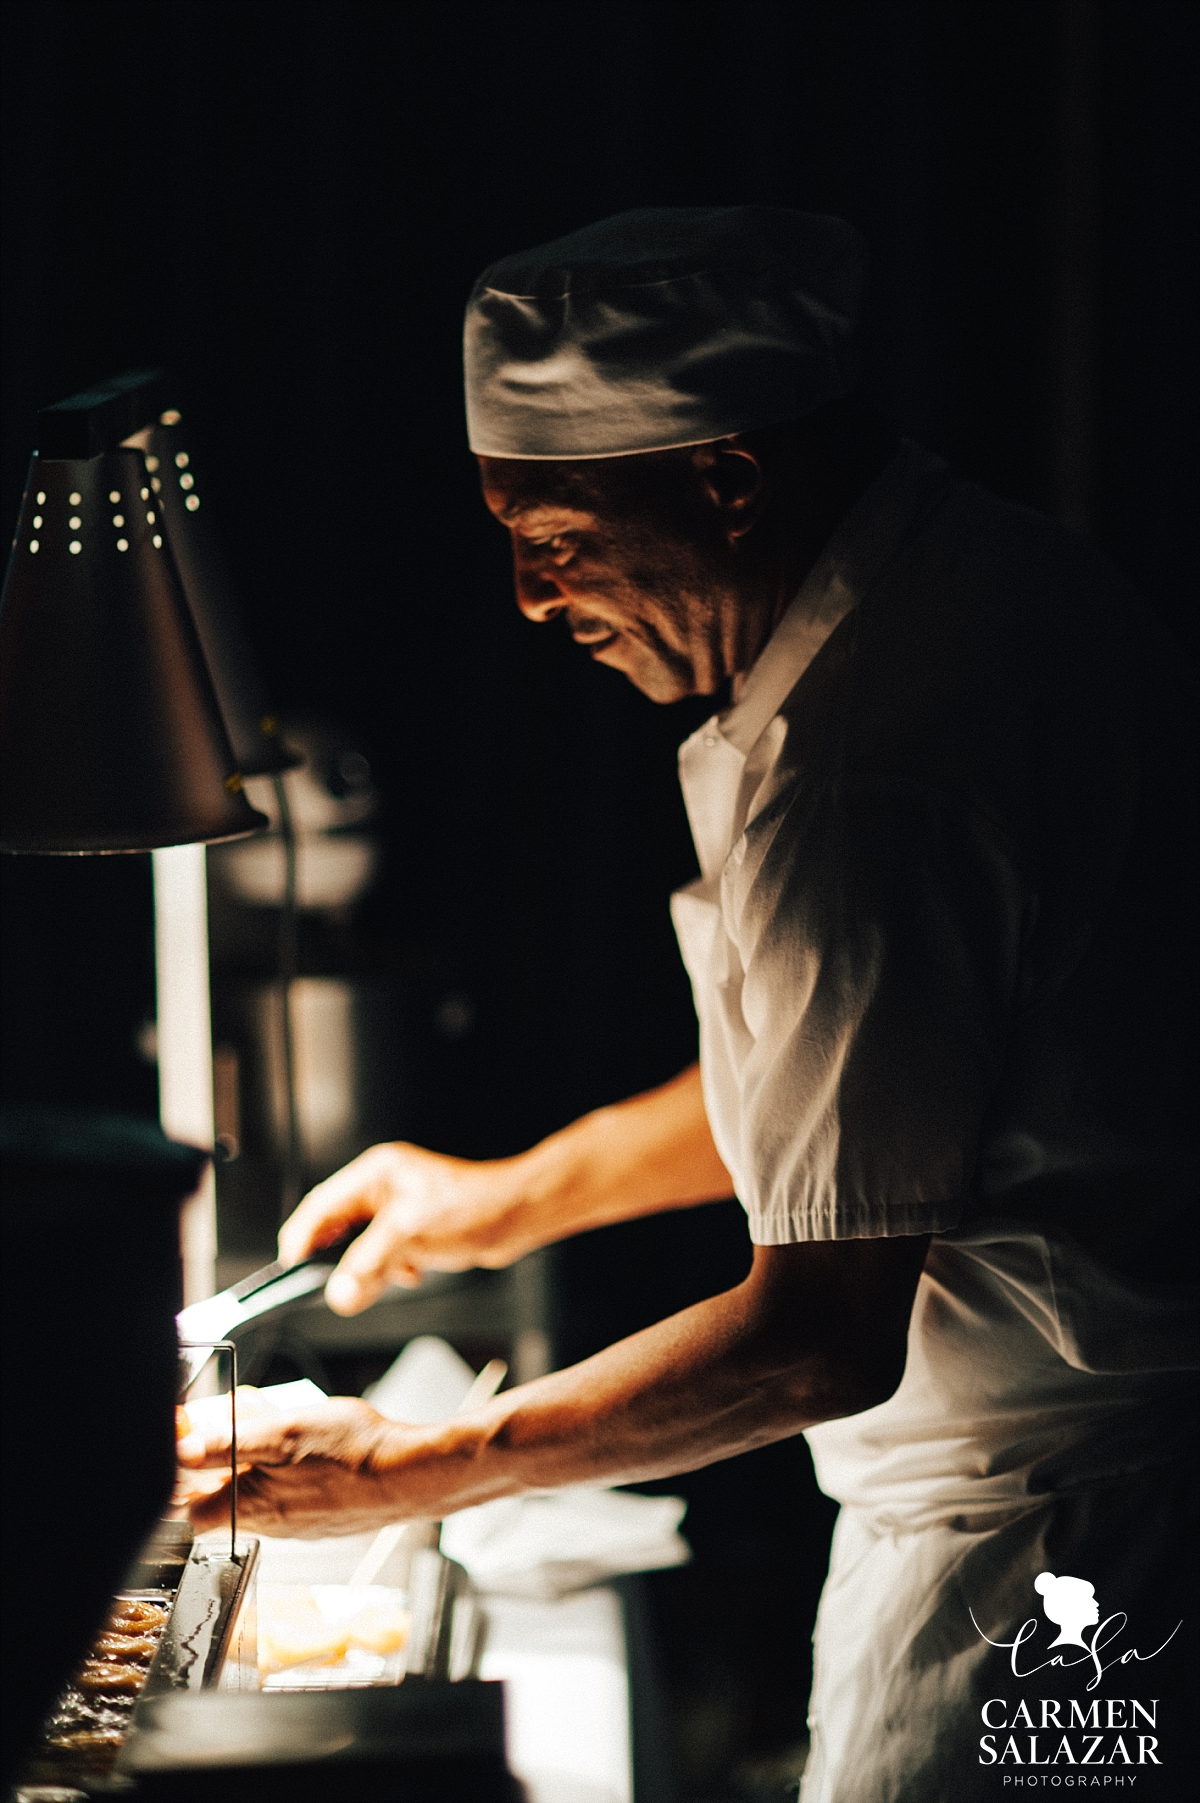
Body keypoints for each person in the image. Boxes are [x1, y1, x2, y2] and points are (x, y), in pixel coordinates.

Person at [180, 208, 1197, 1799]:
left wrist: (403, 1469)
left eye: (555, 539)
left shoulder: (869, 762)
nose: (526, 600)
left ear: (726, 478)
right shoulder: (977, 584)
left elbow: (817, 1341)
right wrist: (510, 1198)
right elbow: (885, 1098)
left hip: (1060, 1547)